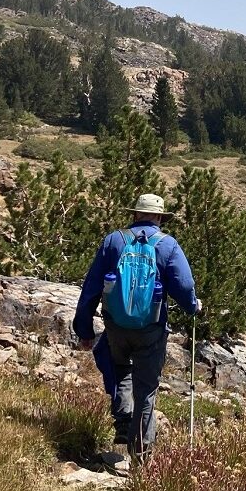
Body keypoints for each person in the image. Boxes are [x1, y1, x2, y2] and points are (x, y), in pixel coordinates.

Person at [73, 193, 201, 463]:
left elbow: (91, 287)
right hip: (150, 327)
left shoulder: (114, 240)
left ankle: (122, 420)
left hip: (116, 324)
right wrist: (193, 307)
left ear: (135, 214)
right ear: (159, 217)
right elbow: (185, 285)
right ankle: (141, 455)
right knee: (147, 388)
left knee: (119, 367)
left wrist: (83, 328)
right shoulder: (167, 245)